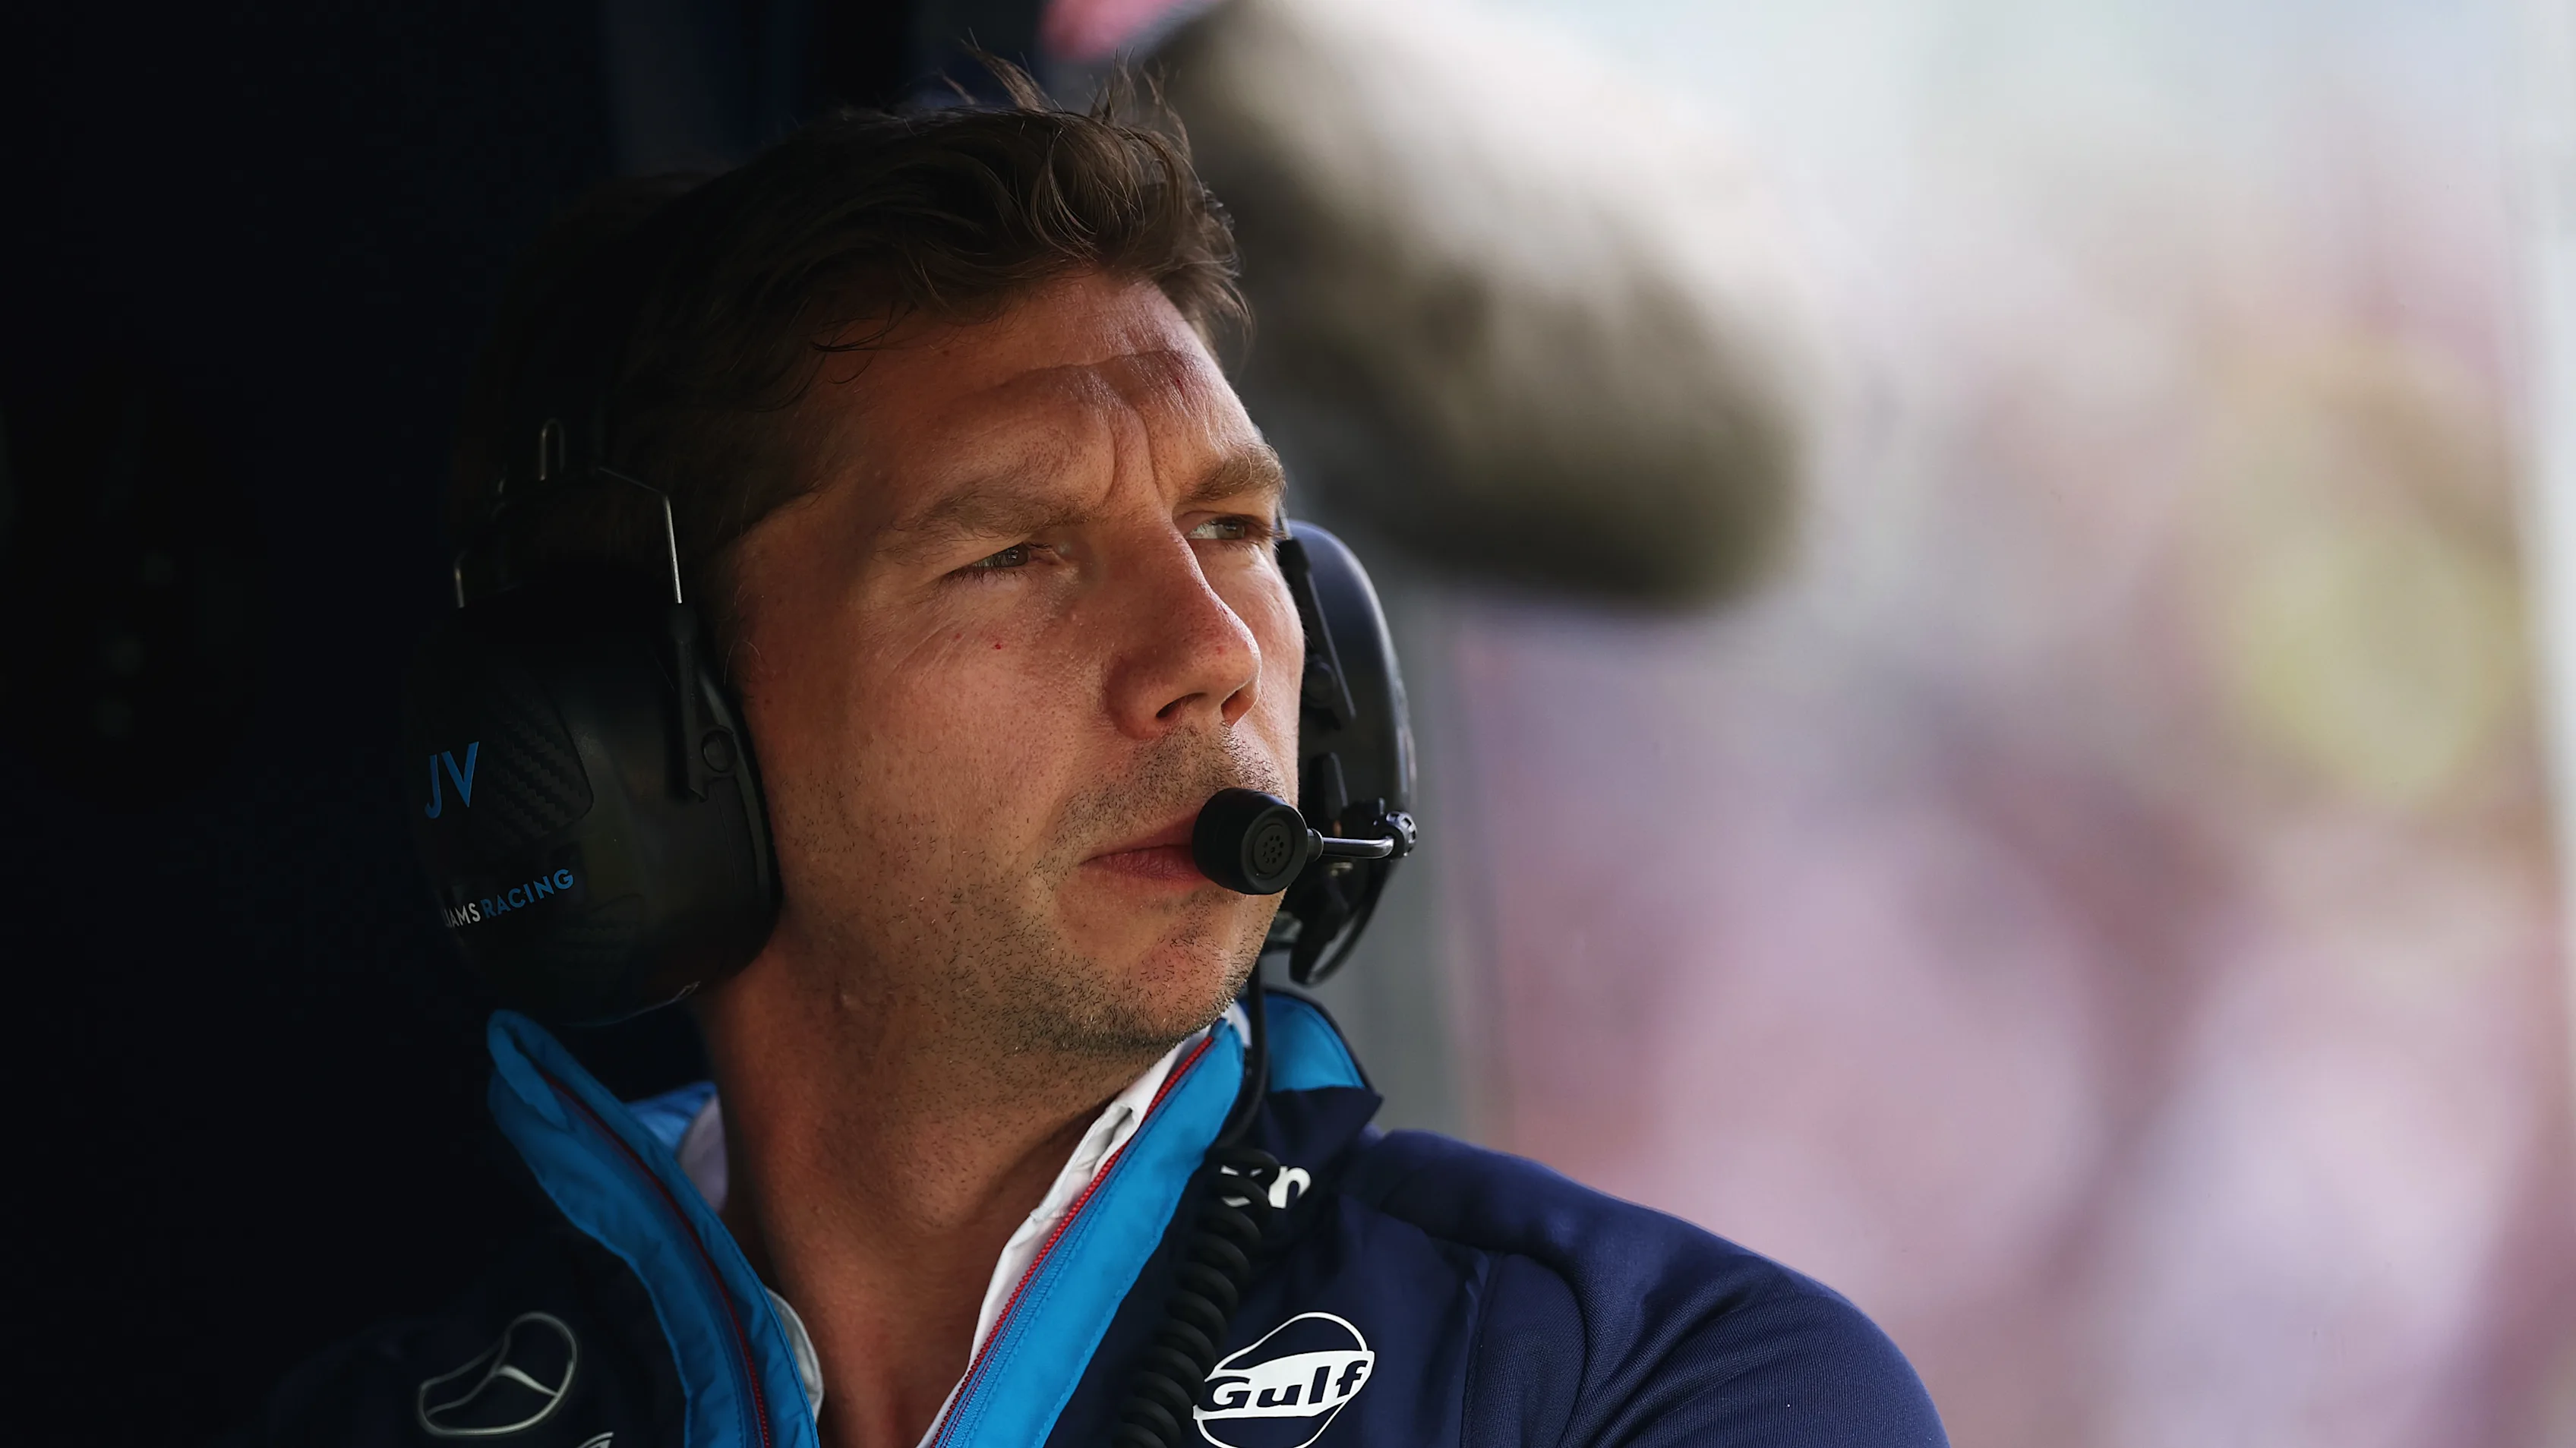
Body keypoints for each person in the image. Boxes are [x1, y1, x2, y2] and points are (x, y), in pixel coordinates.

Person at [243, 75, 1946, 1448]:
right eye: (1013, 555)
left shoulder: (1648, 1385)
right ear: (639, 738)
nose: (1209, 654)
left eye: (1235, 528)